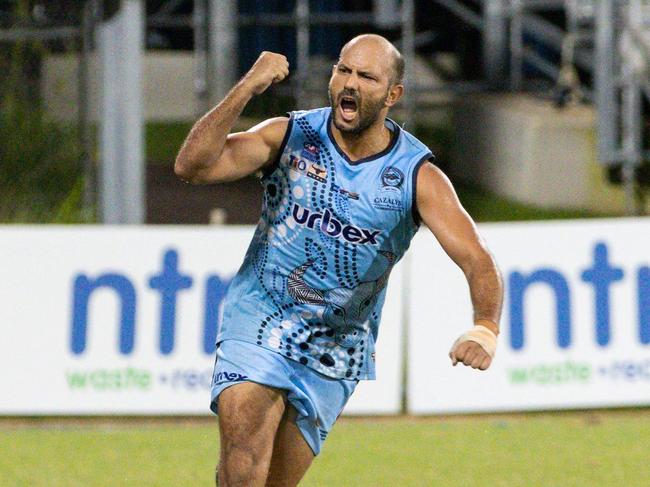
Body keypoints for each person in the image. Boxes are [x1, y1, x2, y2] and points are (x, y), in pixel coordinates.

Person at [175, 34, 503, 487]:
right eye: (342, 70)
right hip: (259, 317)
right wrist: (247, 87)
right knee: (244, 455)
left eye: (365, 76)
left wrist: (485, 326)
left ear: (393, 95)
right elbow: (192, 166)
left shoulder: (416, 176)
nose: (348, 83)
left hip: (335, 348)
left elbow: (477, 260)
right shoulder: (289, 136)